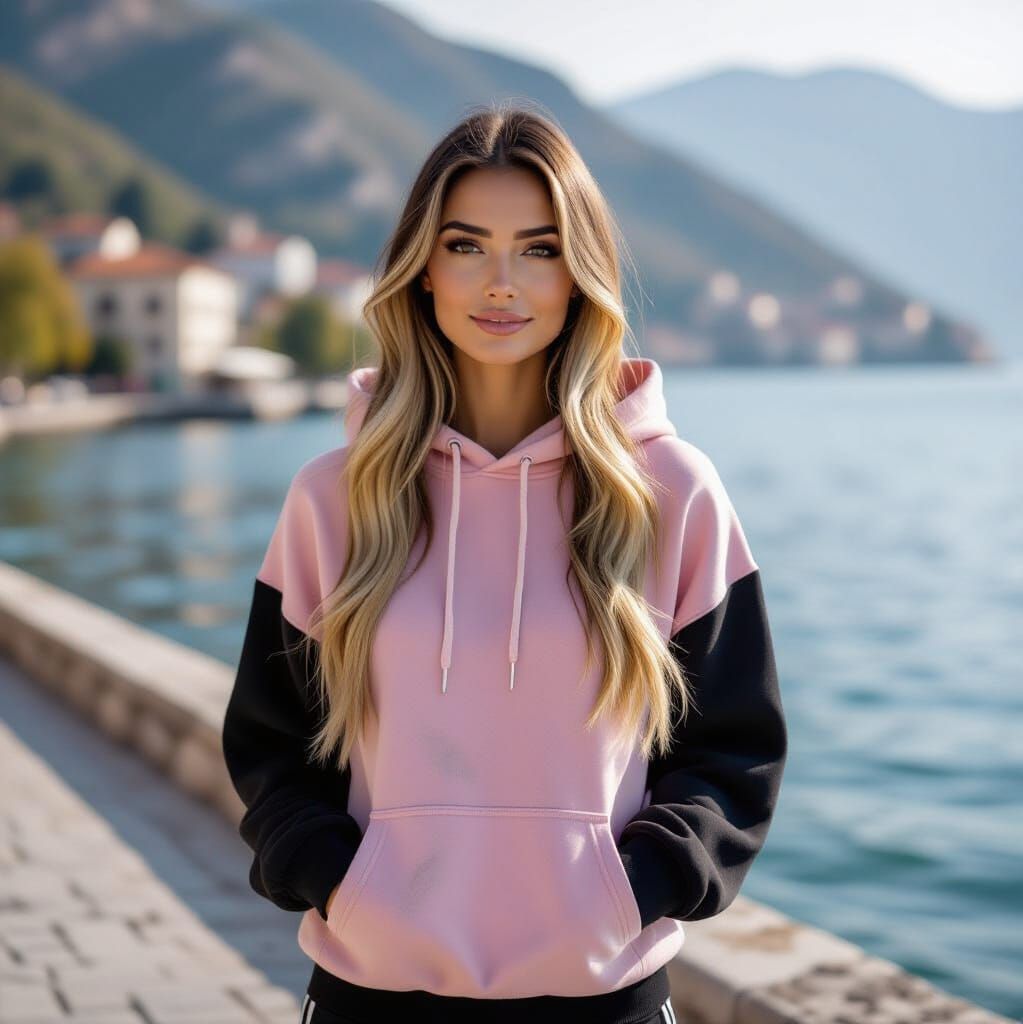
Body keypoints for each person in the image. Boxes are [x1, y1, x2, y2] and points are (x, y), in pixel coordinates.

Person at [220, 103, 788, 1024]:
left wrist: (629, 891)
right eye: (466, 245)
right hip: (374, 994)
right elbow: (271, 745)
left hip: (602, 996)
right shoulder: (334, 498)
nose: (500, 283)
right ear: (423, 266)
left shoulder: (671, 492)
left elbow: (734, 751)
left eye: (538, 249)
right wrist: (346, 886)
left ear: (579, 272)